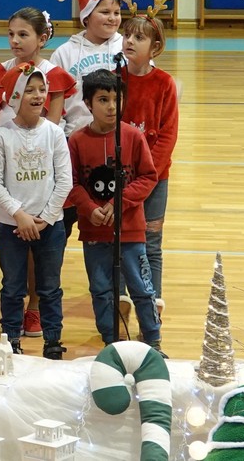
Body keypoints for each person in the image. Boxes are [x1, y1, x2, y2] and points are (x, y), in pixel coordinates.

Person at [0, 7, 75, 338]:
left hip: (38, 172)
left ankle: (35, 306)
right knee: (14, 239)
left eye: (23, 34)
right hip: (6, 170)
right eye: (11, 34)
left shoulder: (53, 76)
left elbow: (52, 125)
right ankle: (14, 311)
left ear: (42, 38)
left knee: (40, 245)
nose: (15, 40)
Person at [68, 69, 162, 352]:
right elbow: (70, 183)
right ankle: (110, 340)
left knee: (141, 287)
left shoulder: (132, 136)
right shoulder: (77, 141)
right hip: (94, 232)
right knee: (100, 289)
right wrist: (88, 208)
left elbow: (148, 176)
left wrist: (117, 203)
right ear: (88, 103)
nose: (112, 106)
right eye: (103, 100)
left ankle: (152, 339)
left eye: (117, 99)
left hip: (130, 230)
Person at [0, 64, 72, 359]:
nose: (38, 96)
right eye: (30, 90)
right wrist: (19, 215)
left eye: (42, 90)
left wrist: (46, 218)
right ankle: (10, 341)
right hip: (12, 226)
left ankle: (52, 340)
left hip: (50, 226)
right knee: (12, 287)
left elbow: (65, 181)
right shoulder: (2, 136)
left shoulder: (55, 133)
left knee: (50, 287)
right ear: (15, 96)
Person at [116, 0, 178, 329]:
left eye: (138, 37)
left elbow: (167, 135)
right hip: (120, 175)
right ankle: (122, 300)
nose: (129, 41)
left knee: (151, 241)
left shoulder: (164, 83)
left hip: (154, 178)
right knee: (120, 238)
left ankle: (152, 304)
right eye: (127, 35)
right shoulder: (115, 78)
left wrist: (148, 173)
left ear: (155, 47)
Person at [50, 0, 123, 136]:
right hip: (74, 136)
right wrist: (59, 138)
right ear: (87, 17)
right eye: (105, 12)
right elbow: (54, 102)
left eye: (117, 13)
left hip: (120, 136)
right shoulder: (64, 53)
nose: (112, 18)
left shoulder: (127, 48)